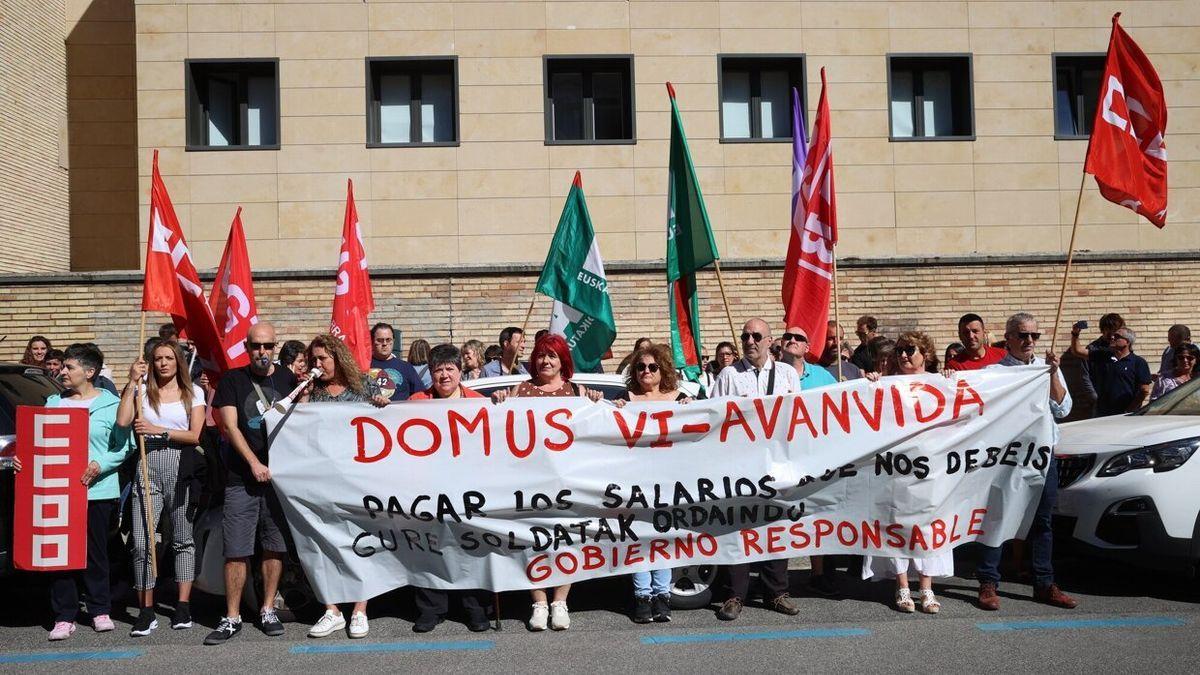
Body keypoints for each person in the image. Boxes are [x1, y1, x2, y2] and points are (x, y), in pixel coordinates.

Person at [14, 344, 133, 640]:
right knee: (61, 556)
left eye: (70, 368)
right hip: (58, 491)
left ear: (89, 372)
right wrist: (23, 459)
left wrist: (99, 463)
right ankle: (64, 615)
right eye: (63, 367)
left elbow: (125, 445)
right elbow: (37, 441)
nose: (62, 372)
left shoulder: (110, 403)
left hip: (97, 490)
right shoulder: (53, 403)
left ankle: (99, 610)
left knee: (96, 553)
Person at [491, 334, 603, 630]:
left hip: (568, 481)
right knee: (532, 541)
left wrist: (596, 403)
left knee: (568, 540)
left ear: (562, 360)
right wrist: (500, 401)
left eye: (552, 355)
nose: (545, 361)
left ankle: (560, 602)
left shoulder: (577, 392)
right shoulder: (520, 390)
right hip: (530, 481)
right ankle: (539, 602)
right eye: (541, 355)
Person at [977, 312, 1078, 611]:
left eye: (1034, 336)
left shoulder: (1047, 368)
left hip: (1042, 457)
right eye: (1023, 335)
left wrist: (1051, 375)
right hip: (1007, 458)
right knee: (996, 515)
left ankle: (1044, 583)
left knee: (1043, 520)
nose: (1029, 341)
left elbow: (1063, 409)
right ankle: (987, 581)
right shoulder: (996, 373)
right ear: (1008, 338)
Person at [206, 323, 298, 645]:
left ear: (275, 347)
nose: (262, 352)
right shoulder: (233, 380)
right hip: (241, 479)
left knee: (275, 546)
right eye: (256, 346)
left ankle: (268, 608)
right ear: (247, 348)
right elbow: (230, 426)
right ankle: (232, 616)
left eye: (268, 346)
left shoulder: (288, 379)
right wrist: (254, 463)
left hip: (278, 480)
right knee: (236, 550)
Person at [711, 318, 802, 621]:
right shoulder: (729, 375)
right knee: (738, 527)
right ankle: (735, 594)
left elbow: (798, 416)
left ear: (769, 340)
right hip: (740, 464)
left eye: (756, 336)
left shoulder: (788, 374)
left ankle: (777, 592)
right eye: (745, 335)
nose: (750, 341)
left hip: (776, 463)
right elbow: (714, 417)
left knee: (775, 525)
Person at [300, 335, 388, 639]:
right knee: (324, 545)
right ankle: (332, 610)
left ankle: (360, 610)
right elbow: (297, 429)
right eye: (313, 360)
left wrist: (381, 406)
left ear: (338, 358)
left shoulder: (362, 387)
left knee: (360, 543)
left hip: (357, 480)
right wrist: (304, 396)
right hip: (321, 481)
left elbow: (385, 424)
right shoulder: (314, 392)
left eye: (323, 358)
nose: (318, 364)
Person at [116, 339, 205, 636]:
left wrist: (159, 431)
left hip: (180, 466)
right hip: (146, 464)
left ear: (178, 361)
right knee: (142, 543)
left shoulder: (193, 392)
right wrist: (131, 382)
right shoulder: (141, 390)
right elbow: (123, 420)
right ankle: (146, 609)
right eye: (157, 358)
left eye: (169, 358)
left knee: (182, 538)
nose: (163, 363)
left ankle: (182, 605)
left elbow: (195, 435)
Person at [862, 332, 952, 613]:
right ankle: (901, 586)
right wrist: (872, 385)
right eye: (899, 350)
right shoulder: (887, 385)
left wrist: (950, 380)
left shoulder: (942, 383)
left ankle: (926, 587)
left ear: (925, 353)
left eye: (909, 349)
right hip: (896, 469)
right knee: (896, 523)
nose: (902, 355)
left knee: (930, 524)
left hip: (932, 468)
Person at [407, 344, 492, 632]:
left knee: (471, 546)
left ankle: (476, 608)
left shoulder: (478, 402)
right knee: (430, 548)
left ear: (460, 372)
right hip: (428, 488)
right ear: (430, 373)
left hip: (469, 489)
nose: (444, 375)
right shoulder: (416, 401)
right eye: (438, 370)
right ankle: (431, 609)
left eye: (449, 369)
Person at [613, 343, 693, 623]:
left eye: (652, 367)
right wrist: (615, 409)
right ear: (634, 372)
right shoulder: (625, 399)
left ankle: (662, 597)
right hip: (635, 483)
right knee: (638, 540)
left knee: (662, 539)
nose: (646, 371)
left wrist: (690, 410)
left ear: (663, 370)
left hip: (668, 482)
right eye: (640, 367)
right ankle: (642, 597)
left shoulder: (679, 399)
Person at [1069, 326, 1152, 416]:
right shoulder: (1103, 355)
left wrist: (1130, 410)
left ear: (1127, 342)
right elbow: (1077, 351)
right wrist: (1075, 334)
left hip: (1126, 415)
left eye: (1117, 336)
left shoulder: (1138, 362)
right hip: (1102, 412)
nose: (1112, 337)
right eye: (1113, 335)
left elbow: (1144, 390)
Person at [368, 323, 425, 402]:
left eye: (388, 340)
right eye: (380, 340)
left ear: (393, 341)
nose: (384, 344)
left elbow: (421, 395)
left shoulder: (406, 367)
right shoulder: (363, 367)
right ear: (372, 341)